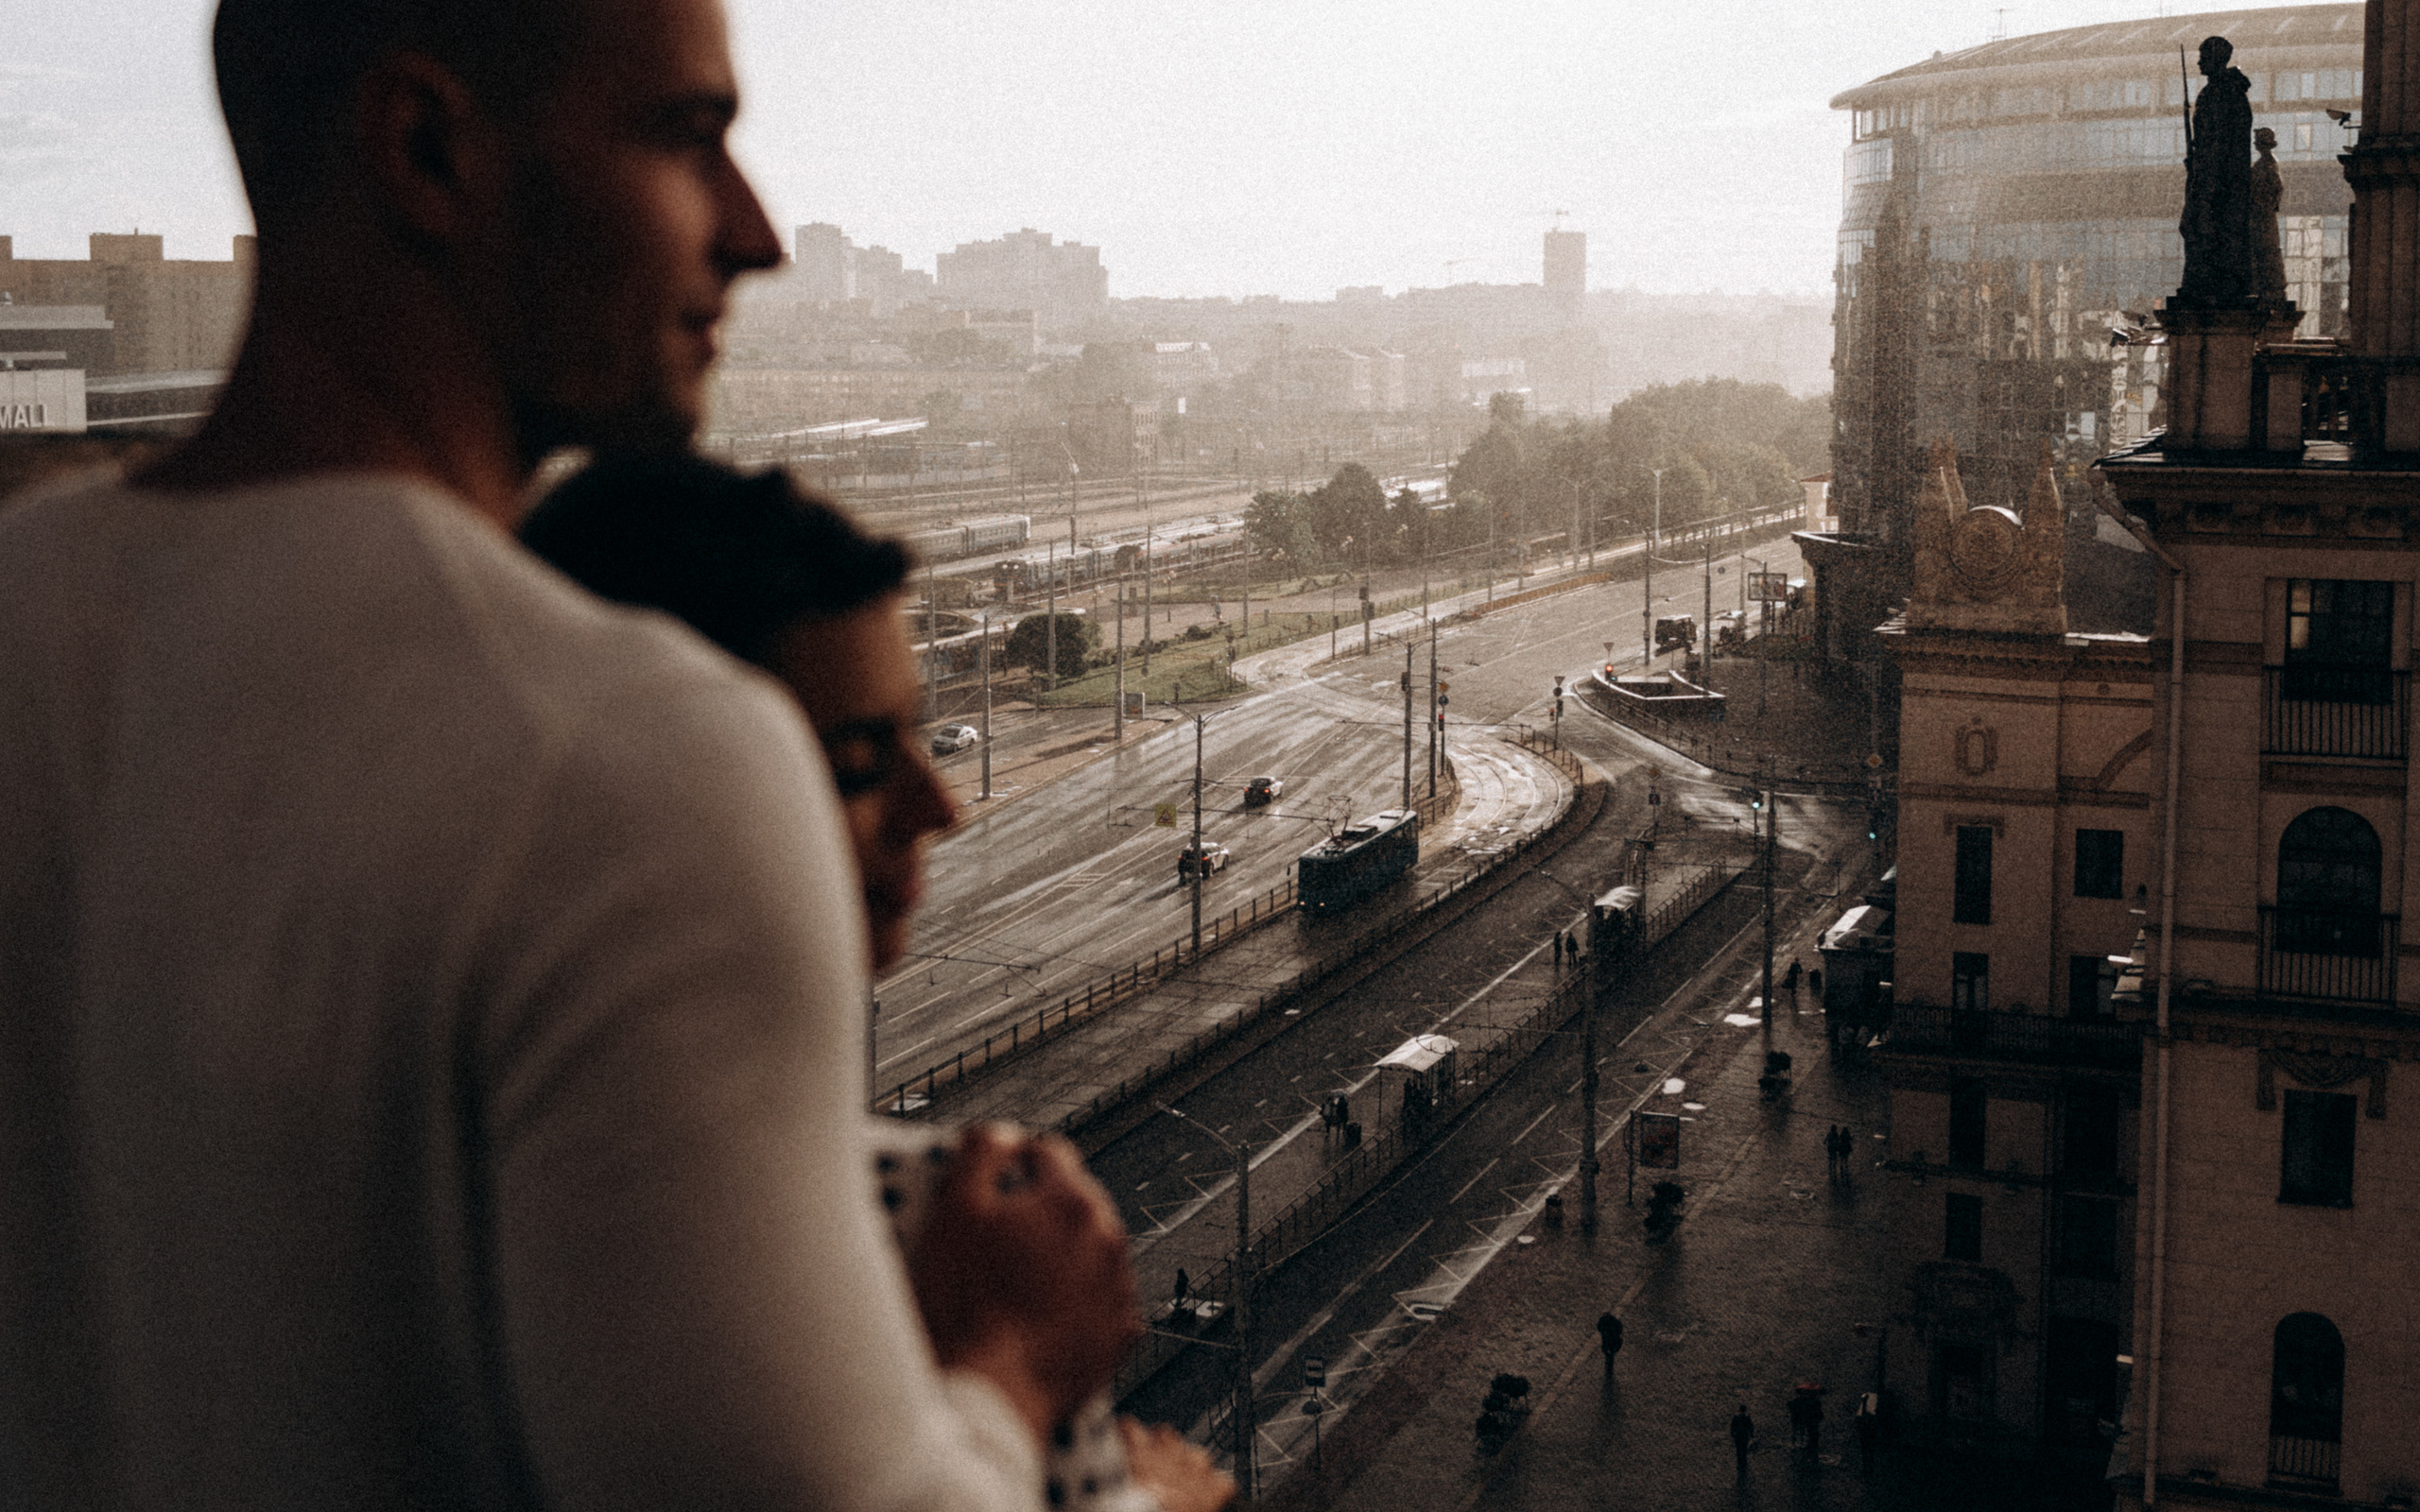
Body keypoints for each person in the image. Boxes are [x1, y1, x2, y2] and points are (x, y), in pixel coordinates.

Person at [0, 0, 1177, 1506]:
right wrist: (1009, 1369)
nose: (756, 235)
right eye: (687, 138)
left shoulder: (29, 615)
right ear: (426, 149)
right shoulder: (627, 757)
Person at [1730, 1405, 1755, 1483]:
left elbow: (1732, 1426)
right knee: (1744, 1448)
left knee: (1738, 1448)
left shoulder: (1736, 1417)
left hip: (1738, 1435)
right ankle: (1744, 1462)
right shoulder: (1747, 1417)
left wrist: (1732, 1433)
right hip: (1745, 1435)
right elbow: (1750, 1426)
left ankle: (1739, 1461)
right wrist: (1752, 1435)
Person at [1596, 1312, 1624, 1379]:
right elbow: (1620, 1329)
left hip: (1608, 1339)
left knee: (1608, 1352)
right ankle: (1609, 1365)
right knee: (1610, 1353)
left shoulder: (1604, 1321)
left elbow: (1599, 1327)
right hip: (1611, 1340)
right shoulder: (1615, 1322)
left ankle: (1608, 1365)